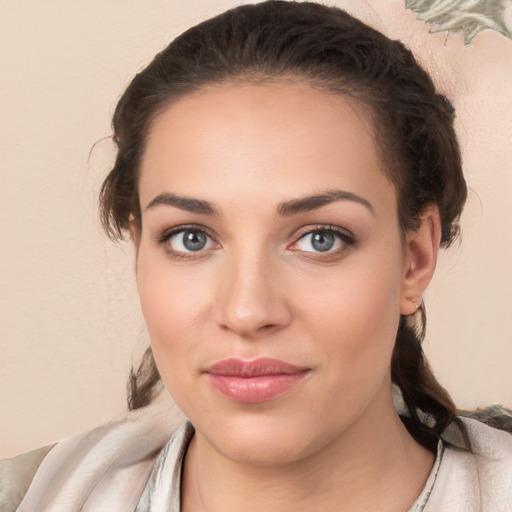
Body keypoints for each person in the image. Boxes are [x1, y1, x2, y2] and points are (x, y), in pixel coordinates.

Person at [1, 1, 511, 511]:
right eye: (191, 238)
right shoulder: (32, 496)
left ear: (414, 259)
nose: (247, 311)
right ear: (138, 252)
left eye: (320, 239)